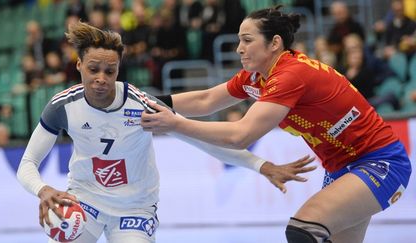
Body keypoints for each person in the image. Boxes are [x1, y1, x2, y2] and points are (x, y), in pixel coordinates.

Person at [16, 21, 316, 243]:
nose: (101, 79)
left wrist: (261, 165)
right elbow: (27, 164)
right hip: (85, 202)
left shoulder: (141, 106)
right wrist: (43, 190)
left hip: (135, 208)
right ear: (79, 65)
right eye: (93, 69)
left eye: (110, 71)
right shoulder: (62, 106)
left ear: (119, 69)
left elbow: (203, 140)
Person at [140, 6, 412, 243]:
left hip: (380, 163)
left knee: (303, 229)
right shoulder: (257, 77)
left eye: (247, 40)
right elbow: (206, 99)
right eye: (238, 40)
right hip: (341, 168)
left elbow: (241, 135)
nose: (239, 48)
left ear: (274, 43)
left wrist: (174, 125)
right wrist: (146, 100)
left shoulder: (290, 74)